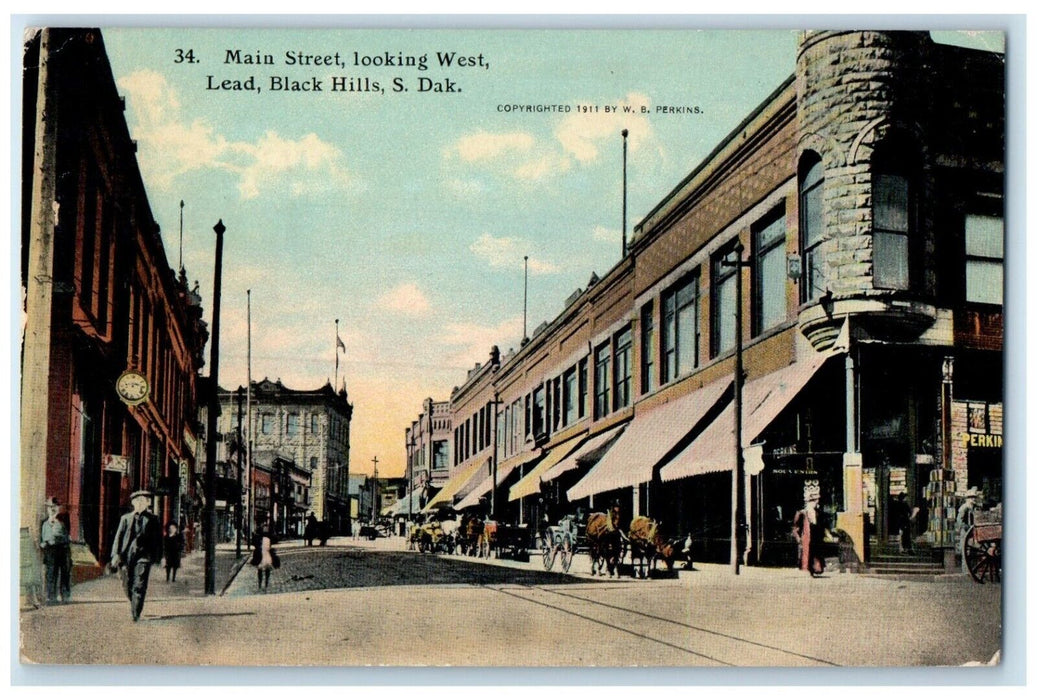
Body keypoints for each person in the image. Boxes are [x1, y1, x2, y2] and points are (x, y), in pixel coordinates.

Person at [110, 490, 163, 621]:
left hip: (143, 556)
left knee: (139, 584)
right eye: (138, 501)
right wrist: (115, 554)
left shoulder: (153, 519)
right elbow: (118, 537)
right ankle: (134, 601)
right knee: (126, 584)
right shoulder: (125, 519)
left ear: (147, 504)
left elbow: (159, 540)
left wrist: (161, 557)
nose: (140, 503)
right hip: (126, 556)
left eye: (143, 501)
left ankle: (136, 613)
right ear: (133, 503)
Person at [40, 497, 72, 604]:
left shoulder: (64, 519)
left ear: (58, 508)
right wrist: (43, 543)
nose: (52, 509)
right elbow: (42, 538)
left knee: (65, 573)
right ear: (47, 509)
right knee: (51, 573)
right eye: (50, 507)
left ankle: (65, 595)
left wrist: (58, 540)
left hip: (62, 550)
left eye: (54, 507)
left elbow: (67, 535)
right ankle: (51, 596)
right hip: (50, 552)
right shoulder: (44, 522)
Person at [793, 486, 825, 577]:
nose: (816, 503)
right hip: (806, 536)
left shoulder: (818, 512)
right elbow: (796, 526)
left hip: (815, 536)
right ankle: (808, 569)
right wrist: (798, 537)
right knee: (807, 553)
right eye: (814, 501)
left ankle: (816, 568)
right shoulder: (802, 513)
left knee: (816, 553)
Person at [251, 522, 277, 590]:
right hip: (264, 555)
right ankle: (263, 584)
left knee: (263, 570)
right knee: (264, 570)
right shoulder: (264, 539)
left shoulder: (264, 538)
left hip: (264, 555)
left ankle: (263, 584)